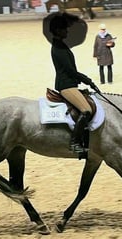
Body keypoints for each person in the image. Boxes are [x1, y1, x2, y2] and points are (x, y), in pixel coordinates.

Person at [48, 13, 97, 153]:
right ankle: (74, 143)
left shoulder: (60, 45)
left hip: (70, 83)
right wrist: (88, 80)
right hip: (66, 85)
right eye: (64, 29)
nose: (67, 31)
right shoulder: (58, 48)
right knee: (86, 110)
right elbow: (70, 71)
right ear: (57, 30)